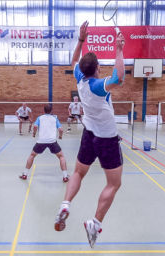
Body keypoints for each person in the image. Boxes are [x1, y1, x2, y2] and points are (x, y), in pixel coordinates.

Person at [54, 21, 125, 248]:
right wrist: (119, 48)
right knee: (113, 184)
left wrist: (81, 40)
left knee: (78, 172)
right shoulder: (97, 86)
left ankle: (65, 204)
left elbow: (73, 61)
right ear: (96, 69)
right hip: (107, 139)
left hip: (89, 134)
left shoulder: (80, 79)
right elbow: (119, 78)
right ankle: (94, 223)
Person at [19, 104, 69, 182]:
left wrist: (34, 134)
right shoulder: (55, 118)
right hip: (52, 141)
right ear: (51, 111)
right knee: (61, 157)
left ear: (44, 110)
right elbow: (61, 130)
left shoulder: (40, 118)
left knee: (32, 155)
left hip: (41, 141)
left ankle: (25, 174)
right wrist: (60, 136)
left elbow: (35, 127)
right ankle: (65, 176)